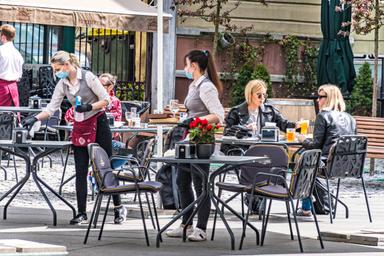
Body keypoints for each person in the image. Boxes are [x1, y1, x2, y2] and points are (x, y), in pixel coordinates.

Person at [22, 51, 127, 225]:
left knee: (105, 167)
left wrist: (88, 106)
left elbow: (106, 100)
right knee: (80, 170)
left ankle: (118, 207)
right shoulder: (63, 84)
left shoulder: (88, 77)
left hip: (99, 123)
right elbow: (52, 107)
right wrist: (35, 118)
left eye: (57, 68)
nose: (56, 73)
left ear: (67, 65)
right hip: (80, 126)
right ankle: (81, 212)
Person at [165, 49, 224, 242]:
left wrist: (194, 122)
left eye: (186, 64)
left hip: (202, 141)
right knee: (182, 181)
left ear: (194, 66)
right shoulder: (194, 86)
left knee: (201, 184)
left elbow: (218, 115)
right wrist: (184, 118)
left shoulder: (207, 87)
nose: (184, 68)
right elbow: (193, 110)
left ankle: (201, 228)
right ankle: (186, 224)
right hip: (188, 139)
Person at [296, 84, 356, 217]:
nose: (317, 100)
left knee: (303, 158)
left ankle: (306, 207)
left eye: (320, 97)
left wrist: (302, 139)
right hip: (348, 166)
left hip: (327, 164)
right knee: (306, 158)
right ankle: (318, 203)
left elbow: (315, 147)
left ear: (330, 98)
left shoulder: (323, 116)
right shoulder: (350, 118)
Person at [222, 79, 297, 154]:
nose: (262, 98)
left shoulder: (270, 111)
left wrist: (296, 125)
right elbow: (227, 133)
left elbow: (284, 125)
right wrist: (245, 128)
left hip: (263, 149)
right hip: (241, 151)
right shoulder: (236, 112)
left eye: (264, 95)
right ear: (250, 94)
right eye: (259, 95)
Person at [0, 24, 24, 107]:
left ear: (3, 36)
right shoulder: (18, 54)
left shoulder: (1, 51)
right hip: (13, 88)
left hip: (2, 87)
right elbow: (20, 74)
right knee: (12, 116)